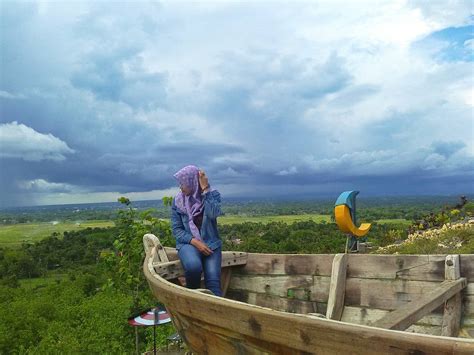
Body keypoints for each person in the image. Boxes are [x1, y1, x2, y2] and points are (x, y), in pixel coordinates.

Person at [170, 165, 223, 296]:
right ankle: (192, 300)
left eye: (183, 184)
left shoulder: (212, 195)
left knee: (213, 281)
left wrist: (205, 189)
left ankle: (218, 313)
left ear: (192, 182)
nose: (180, 187)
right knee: (194, 267)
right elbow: (177, 230)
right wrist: (196, 242)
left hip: (211, 244)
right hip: (188, 244)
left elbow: (213, 214)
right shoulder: (178, 202)